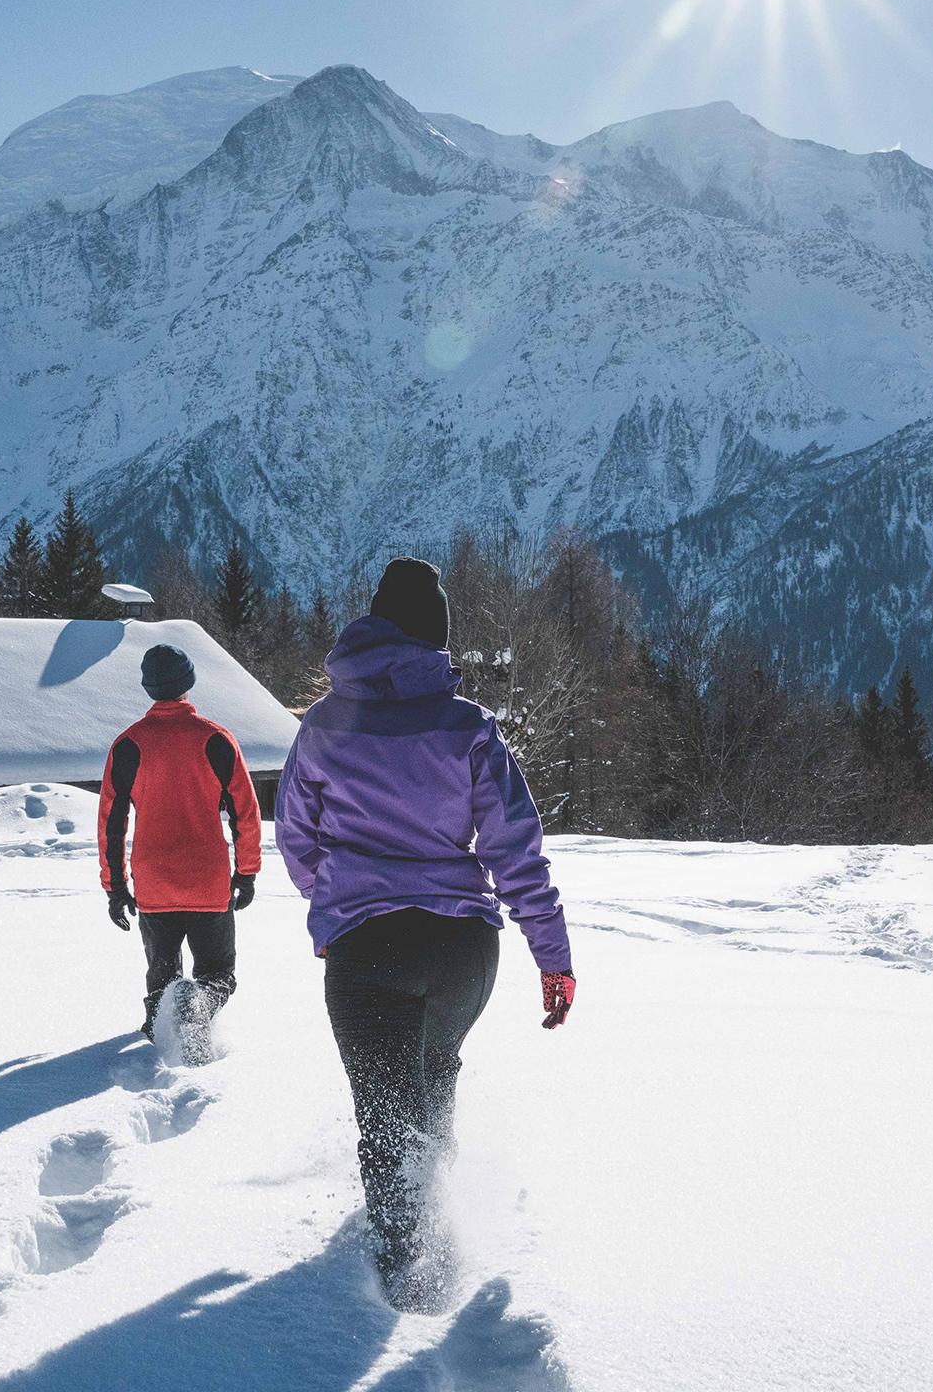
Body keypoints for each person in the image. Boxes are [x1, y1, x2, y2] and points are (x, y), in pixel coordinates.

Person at [275, 557, 574, 1311]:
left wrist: (335, 905)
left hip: (366, 949)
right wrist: (553, 957)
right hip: (463, 949)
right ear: (436, 643)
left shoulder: (323, 725)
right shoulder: (467, 726)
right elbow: (516, 850)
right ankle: (436, 1220)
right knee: (433, 1078)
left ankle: (409, 1285)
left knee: (383, 1121)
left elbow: (295, 839)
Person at [99, 643, 263, 1042]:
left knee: (162, 980)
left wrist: (116, 887)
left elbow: (111, 822)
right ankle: (202, 1002)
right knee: (218, 974)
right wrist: (247, 872)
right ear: (188, 682)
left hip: (154, 883)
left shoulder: (129, 745)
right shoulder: (216, 739)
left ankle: (161, 1039)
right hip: (207, 880)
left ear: (148, 687)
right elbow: (246, 810)